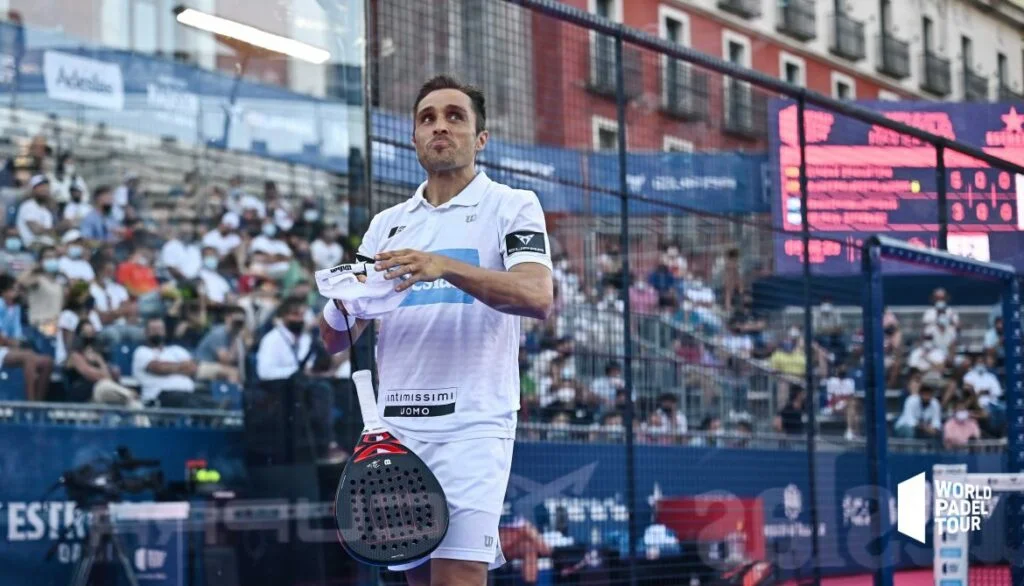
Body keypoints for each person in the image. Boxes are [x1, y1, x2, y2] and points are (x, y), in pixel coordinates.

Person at [319, 75, 553, 586]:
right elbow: (338, 340)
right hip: (398, 428)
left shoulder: (511, 205)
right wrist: (338, 308)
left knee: (459, 576)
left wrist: (442, 266)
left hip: (474, 422)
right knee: (420, 580)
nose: (439, 126)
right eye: (427, 118)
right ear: (414, 139)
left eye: (454, 116)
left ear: (480, 138)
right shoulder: (386, 224)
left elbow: (537, 297)